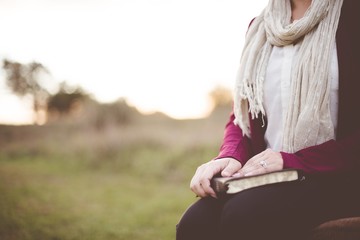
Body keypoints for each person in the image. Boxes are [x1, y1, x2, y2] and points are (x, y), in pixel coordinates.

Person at [176, 0, 360, 239]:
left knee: (243, 216)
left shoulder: (352, 17)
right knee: (195, 223)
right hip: (271, 177)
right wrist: (229, 155)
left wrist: (292, 160)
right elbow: (242, 115)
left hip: (338, 176)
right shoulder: (260, 27)